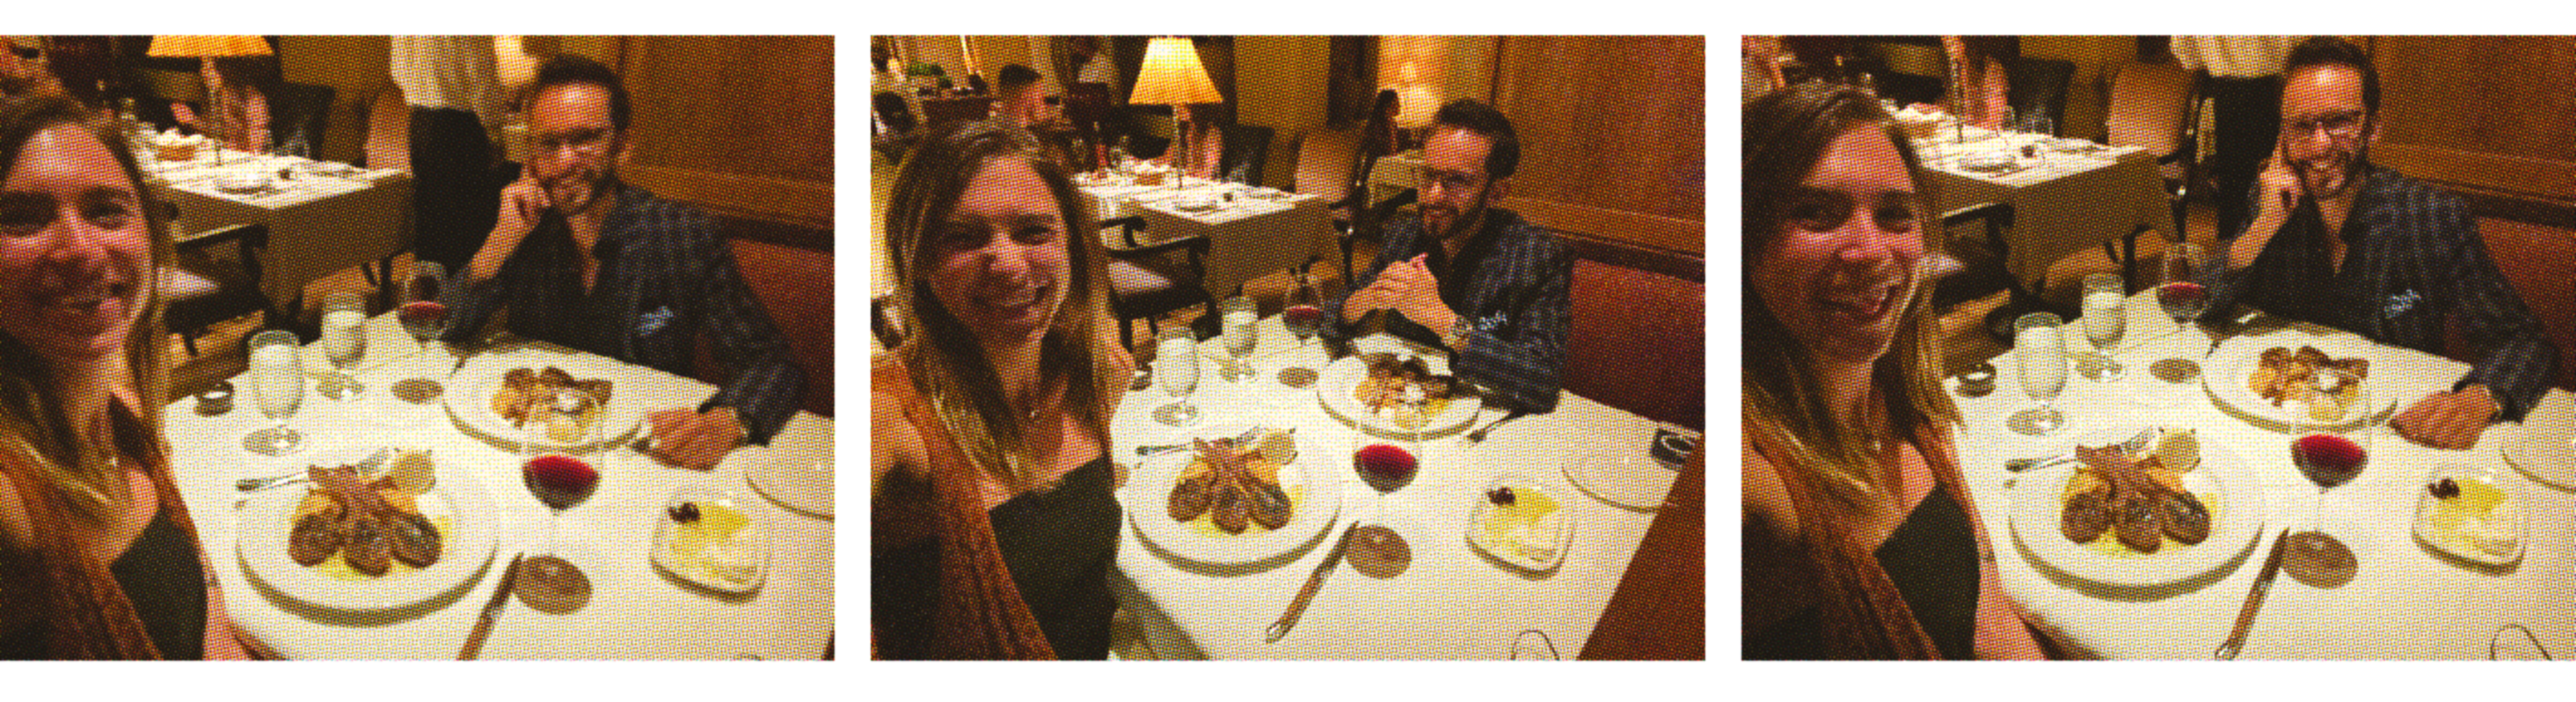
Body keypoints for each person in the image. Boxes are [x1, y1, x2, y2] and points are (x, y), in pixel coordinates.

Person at [1739, 83, 2050, 660]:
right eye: (1816, 212)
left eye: (1894, 215)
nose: (1870, 249)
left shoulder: (1909, 399)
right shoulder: (1759, 485)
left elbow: (1988, 612)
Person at [439, 55, 804, 469]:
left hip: (644, 457)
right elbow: (445, 326)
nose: (564, 162)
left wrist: (730, 420)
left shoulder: (682, 233)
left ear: (623, 145)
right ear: (530, 153)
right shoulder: (523, 226)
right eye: (548, 143)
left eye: (585, 140)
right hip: (521, 447)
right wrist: (498, 243)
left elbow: (774, 363)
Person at [867, 117, 1134, 660]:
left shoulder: (1102, 369)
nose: (1008, 265)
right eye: (962, 238)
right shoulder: (895, 415)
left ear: (1074, 247)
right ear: (918, 262)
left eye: (1034, 232)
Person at [2208, 35, 2557, 451]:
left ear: (2374, 127)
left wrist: (2481, 397)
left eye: (2340, 121)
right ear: (2282, 138)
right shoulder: (2270, 202)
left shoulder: (2432, 217)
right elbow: (2205, 299)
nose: (2320, 144)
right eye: (2303, 126)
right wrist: (2261, 228)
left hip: (2392, 439)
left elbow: (2525, 342)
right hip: (2272, 430)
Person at [0, 93, 254, 660]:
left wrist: (216, 630)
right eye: (22, 217)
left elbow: (186, 547)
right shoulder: (11, 501)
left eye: (107, 210)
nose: (81, 248)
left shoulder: (120, 399)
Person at [1321, 99, 1570, 412]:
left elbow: (1543, 381)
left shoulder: (1536, 256)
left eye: (1458, 181)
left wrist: (1446, 324)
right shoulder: (1405, 234)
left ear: (1497, 192)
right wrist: (1366, 300)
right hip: (1394, 413)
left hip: (1484, 432)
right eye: (1428, 176)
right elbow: (1330, 317)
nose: (1433, 195)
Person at [392, 33, 508, 280]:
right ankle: (462, 298)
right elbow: (480, 72)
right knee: (465, 221)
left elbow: (398, 71)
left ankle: (429, 295)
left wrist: (424, 91)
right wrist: (494, 127)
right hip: (460, 125)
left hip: (420, 120)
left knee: (430, 215)